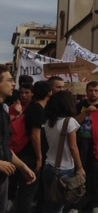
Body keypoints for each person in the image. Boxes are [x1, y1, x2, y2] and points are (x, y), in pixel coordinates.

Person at [71, 81, 98, 213]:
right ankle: (76, 204)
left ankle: (96, 203)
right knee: (80, 172)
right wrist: (85, 112)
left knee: (96, 174)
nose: (93, 93)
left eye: (95, 91)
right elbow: (74, 123)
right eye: (90, 90)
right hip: (81, 143)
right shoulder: (81, 105)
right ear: (86, 92)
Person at [41, 90, 84, 213]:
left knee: (49, 203)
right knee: (58, 205)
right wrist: (80, 167)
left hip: (48, 166)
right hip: (64, 169)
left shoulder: (48, 121)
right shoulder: (69, 122)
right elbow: (73, 147)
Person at [0, 65, 36, 210]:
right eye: (9, 80)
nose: (14, 84)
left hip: (3, 179)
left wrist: (22, 167)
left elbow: (5, 146)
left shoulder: (3, 112)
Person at [15, 80, 51, 213]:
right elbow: (35, 136)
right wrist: (39, 157)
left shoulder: (33, 108)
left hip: (25, 153)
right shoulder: (38, 110)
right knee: (28, 191)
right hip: (30, 156)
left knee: (25, 192)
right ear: (49, 93)